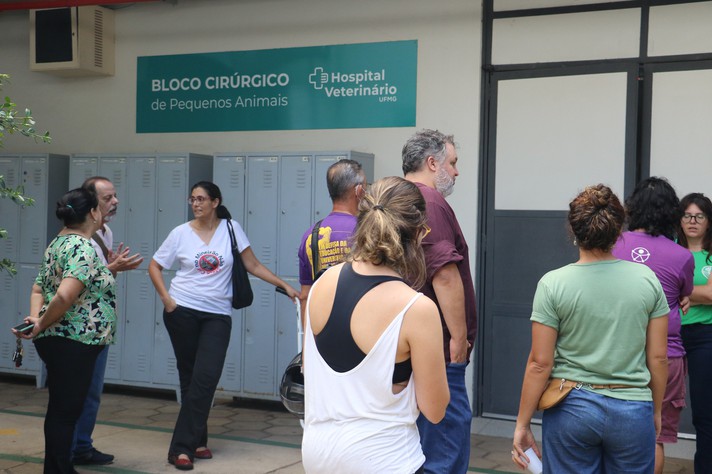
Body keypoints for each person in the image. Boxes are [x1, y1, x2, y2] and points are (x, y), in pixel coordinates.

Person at [512, 184, 669, 473]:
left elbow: (539, 363)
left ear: (574, 230)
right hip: (632, 408)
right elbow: (659, 358)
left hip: (571, 408)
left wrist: (522, 424)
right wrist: (656, 410)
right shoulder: (646, 279)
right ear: (618, 229)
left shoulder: (553, 283)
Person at [301, 176, 449, 473]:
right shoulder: (416, 308)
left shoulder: (322, 284)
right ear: (419, 233)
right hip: (384, 457)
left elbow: (312, 369)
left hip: (318, 454)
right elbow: (435, 409)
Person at [148, 181, 299, 471]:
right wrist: (167, 300)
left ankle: (182, 446)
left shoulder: (231, 228)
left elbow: (252, 265)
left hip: (217, 315)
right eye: (192, 199)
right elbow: (155, 266)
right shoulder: (180, 233)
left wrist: (285, 286)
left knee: (205, 377)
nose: (196, 204)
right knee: (190, 377)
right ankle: (194, 442)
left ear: (215, 202)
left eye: (202, 199)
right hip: (182, 312)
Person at [13, 187, 117, 474]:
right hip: (74, 340)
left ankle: (56, 467)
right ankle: (60, 469)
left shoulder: (58, 242)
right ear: (93, 212)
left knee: (60, 409)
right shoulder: (82, 248)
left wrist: (36, 319)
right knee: (66, 412)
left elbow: (38, 288)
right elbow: (64, 296)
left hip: (59, 339)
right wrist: (41, 323)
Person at [402, 129, 477, 473]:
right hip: (438, 350)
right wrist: (459, 340)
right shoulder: (429, 202)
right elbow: (444, 275)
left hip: (408, 346)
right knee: (444, 448)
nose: (457, 172)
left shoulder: (394, 198)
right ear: (433, 163)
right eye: (454, 163)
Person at [612, 176, 694, 474]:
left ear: (632, 209)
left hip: (619, 352)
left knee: (614, 434)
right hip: (667, 355)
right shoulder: (682, 256)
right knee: (654, 438)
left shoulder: (612, 245)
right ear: (672, 212)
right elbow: (683, 294)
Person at [72, 176, 143, 466]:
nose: (115, 202)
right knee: (75, 391)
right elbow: (71, 285)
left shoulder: (106, 233)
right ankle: (67, 451)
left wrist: (112, 269)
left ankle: (82, 446)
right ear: (91, 204)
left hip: (100, 322)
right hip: (77, 326)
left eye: (115, 196)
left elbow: (102, 279)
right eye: (107, 198)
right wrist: (110, 268)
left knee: (92, 391)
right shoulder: (77, 237)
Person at [297, 158, 366, 323]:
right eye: (366, 186)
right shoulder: (368, 231)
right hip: (360, 325)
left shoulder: (310, 236)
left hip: (323, 329)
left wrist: (309, 344)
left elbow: (306, 295)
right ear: (358, 191)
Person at [678, 192, 712, 473]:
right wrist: (695, 293)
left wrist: (679, 290)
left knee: (704, 411)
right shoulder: (673, 248)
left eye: (699, 216)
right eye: (688, 215)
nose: (693, 221)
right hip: (670, 335)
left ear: (708, 221)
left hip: (705, 336)